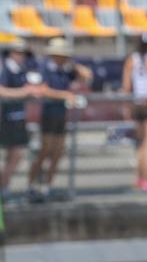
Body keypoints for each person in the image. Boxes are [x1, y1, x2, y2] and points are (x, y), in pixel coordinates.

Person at [27, 37, 92, 202]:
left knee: (57, 151)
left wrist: (75, 66)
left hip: (61, 115)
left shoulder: (65, 70)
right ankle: (31, 184)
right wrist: (65, 95)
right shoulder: (44, 68)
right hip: (49, 114)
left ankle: (48, 185)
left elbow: (86, 75)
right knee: (45, 150)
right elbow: (43, 90)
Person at [0, 39, 43, 194]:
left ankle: (4, 186)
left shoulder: (21, 69)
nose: (21, 56)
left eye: (23, 53)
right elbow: (2, 90)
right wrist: (24, 92)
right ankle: (3, 187)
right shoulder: (5, 67)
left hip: (16, 117)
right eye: (17, 52)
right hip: (5, 117)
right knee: (15, 154)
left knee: (15, 155)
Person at [121, 33, 147, 191]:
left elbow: (126, 87)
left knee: (140, 144)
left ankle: (139, 178)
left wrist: (126, 107)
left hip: (136, 103)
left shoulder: (131, 60)